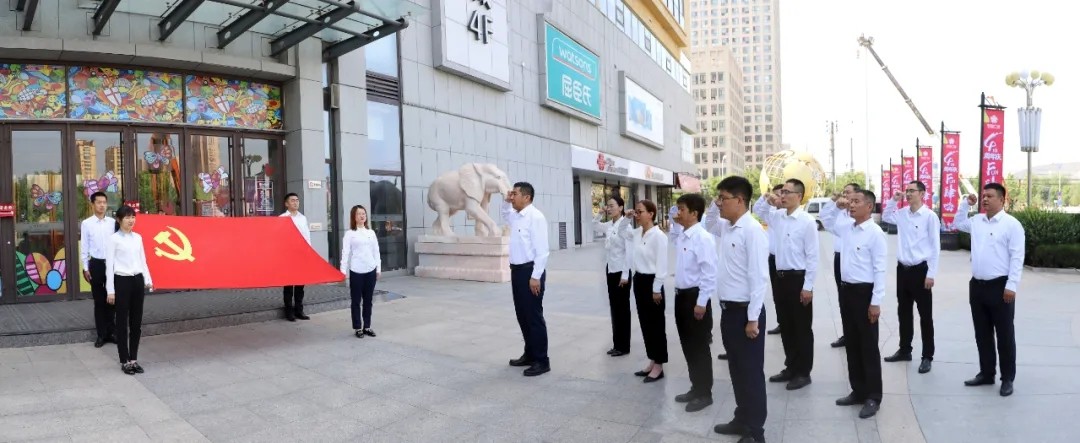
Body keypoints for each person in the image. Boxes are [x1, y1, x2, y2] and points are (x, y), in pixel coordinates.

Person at [704, 177, 769, 443]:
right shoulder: (728, 226)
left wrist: (753, 319)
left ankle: (755, 431)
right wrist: (714, 201)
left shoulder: (752, 230)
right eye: (718, 198)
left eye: (724, 198)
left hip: (746, 314)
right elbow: (708, 223)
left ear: (740, 200)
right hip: (729, 311)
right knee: (737, 370)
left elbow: (759, 278)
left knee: (751, 373)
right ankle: (742, 418)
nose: (720, 203)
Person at [954, 184, 1024, 397]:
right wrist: (965, 203)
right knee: (982, 333)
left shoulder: (1012, 225)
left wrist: (1011, 285)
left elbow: (1017, 257)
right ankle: (986, 373)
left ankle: (1007, 378)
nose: (984, 199)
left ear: (1002, 200)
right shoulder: (977, 221)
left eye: (990, 196)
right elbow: (958, 223)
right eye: (983, 196)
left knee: (1004, 335)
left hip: (1000, 287)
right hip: (977, 286)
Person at [822, 189, 887, 419]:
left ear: (869, 206)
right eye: (850, 201)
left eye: (856, 201)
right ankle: (858, 390)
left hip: (864, 294)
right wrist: (835, 204)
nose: (851, 204)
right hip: (847, 291)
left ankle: (873, 396)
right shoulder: (847, 228)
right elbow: (826, 219)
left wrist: (875, 302)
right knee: (852, 343)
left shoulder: (875, 233)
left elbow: (880, 269)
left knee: (868, 346)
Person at [753, 179, 819, 391]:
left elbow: (813, 256)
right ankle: (791, 367)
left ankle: (803, 372)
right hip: (780, 278)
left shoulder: (807, 221)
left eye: (787, 192)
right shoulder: (777, 217)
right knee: (787, 325)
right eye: (782, 191)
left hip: (798, 279)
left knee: (801, 328)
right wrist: (766, 198)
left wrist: (808, 286)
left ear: (799, 196)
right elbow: (758, 210)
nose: (782, 195)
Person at [881, 181, 941, 374]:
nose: (907, 194)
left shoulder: (930, 217)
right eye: (907, 191)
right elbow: (886, 216)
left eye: (911, 191)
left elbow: (935, 247)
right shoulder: (902, 214)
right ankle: (905, 350)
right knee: (904, 312)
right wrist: (893, 200)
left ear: (922, 194)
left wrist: (931, 274)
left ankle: (927, 356)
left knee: (925, 316)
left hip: (921, 271)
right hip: (903, 270)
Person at [671, 193, 719, 413]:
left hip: (695, 298)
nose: (678, 213)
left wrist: (701, 303)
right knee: (687, 344)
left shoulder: (703, 238)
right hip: (681, 296)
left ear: (694, 213)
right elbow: (673, 234)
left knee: (699, 347)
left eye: (682, 209)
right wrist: (675, 222)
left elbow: (709, 273)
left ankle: (704, 393)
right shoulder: (683, 235)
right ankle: (695, 386)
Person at [503, 182, 551, 377]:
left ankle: (542, 360)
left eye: (515, 194)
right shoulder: (516, 216)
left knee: (533, 317)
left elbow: (542, 250)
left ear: (527, 197)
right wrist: (506, 201)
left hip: (530, 272)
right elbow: (505, 215)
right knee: (522, 315)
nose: (512, 196)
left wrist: (535, 276)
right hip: (517, 272)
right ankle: (530, 354)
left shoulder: (535, 217)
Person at [105, 205, 153, 375]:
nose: (131, 220)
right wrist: (110, 290)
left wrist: (148, 280)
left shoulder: (138, 238)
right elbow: (109, 266)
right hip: (122, 281)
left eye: (133, 217)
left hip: (137, 280)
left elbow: (143, 260)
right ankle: (124, 360)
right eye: (127, 217)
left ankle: (134, 359)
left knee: (136, 323)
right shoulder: (113, 239)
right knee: (122, 322)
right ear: (119, 220)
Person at [629, 200, 669, 383]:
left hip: (653, 283)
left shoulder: (659, 236)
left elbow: (662, 264)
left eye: (640, 212)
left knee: (656, 325)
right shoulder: (637, 233)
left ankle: (659, 365)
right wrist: (626, 217)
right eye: (636, 212)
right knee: (645, 323)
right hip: (639, 280)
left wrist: (656, 288)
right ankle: (652, 359)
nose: (637, 215)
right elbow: (621, 233)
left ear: (651, 214)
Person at [820, 183, 861, 348]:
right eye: (844, 192)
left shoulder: (858, 215)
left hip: (855, 258)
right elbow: (825, 218)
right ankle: (847, 334)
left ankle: (858, 334)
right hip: (840, 258)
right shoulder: (840, 213)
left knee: (857, 300)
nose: (845, 195)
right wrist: (834, 203)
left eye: (848, 192)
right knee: (843, 298)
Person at [592, 196, 633, 357]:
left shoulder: (626, 227)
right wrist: (600, 213)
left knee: (622, 309)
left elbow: (629, 253)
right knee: (615, 308)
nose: (609, 208)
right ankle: (617, 344)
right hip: (611, 270)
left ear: (621, 207)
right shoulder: (609, 225)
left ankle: (624, 346)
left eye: (612, 206)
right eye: (607, 206)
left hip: (622, 273)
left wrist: (625, 275)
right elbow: (594, 225)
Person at [81, 192, 116, 348]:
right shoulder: (87, 223)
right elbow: (84, 247)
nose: (102, 205)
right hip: (96, 264)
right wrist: (85, 267)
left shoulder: (113, 223)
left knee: (112, 300)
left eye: (104, 202)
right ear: (92, 204)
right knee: (99, 301)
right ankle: (101, 335)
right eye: (99, 202)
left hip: (112, 265)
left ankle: (112, 332)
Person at [341, 204, 381, 339]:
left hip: (371, 270)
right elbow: (345, 253)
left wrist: (378, 268)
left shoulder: (371, 232)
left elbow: (376, 251)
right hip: (356, 271)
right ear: (354, 216)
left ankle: (367, 326)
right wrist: (342, 271)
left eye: (363, 213)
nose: (362, 216)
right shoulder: (350, 234)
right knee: (356, 301)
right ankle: (358, 327)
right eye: (359, 214)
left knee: (368, 300)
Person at [754, 184, 785, 336]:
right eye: (776, 195)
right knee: (777, 294)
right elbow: (757, 210)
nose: (778, 198)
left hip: (787, 261)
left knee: (788, 296)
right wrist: (765, 198)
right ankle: (781, 322)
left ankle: (789, 322)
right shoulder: (772, 213)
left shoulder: (788, 215)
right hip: (773, 259)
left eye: (781, 195)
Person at [281, 193, 312, 321]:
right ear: (286, 204)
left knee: (300, 285)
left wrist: (309, 252)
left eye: (297, 200)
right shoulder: (282, 218)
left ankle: (299, 310)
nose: (295, 202)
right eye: (292, 200)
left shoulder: (302, 218)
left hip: (301, 254)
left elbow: (307, 236)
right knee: (288, 285)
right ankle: (289, 312)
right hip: (288, 255)